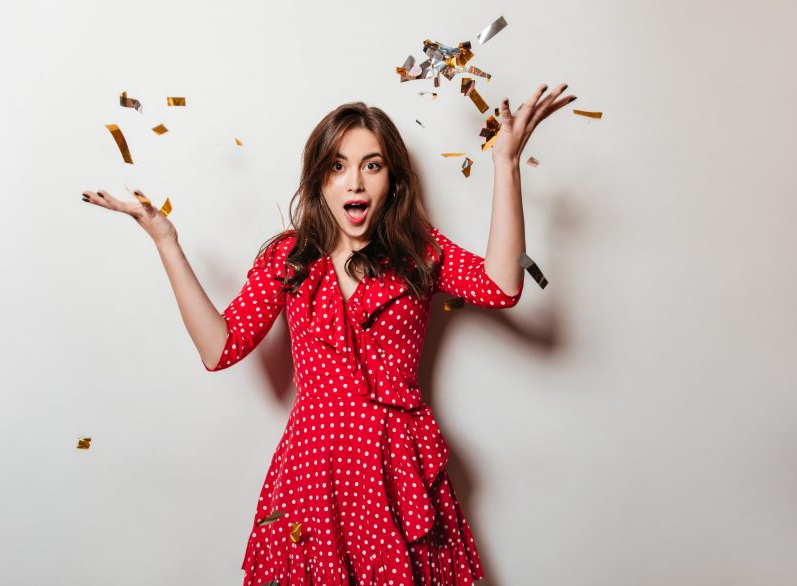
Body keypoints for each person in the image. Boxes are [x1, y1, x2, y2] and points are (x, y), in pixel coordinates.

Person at [82, 83, 575, 585]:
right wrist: (166, 241)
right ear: (319, 180)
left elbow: (502, 285)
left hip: (397, 469)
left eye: (372, 165)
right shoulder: (290, 258)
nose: (355, 183)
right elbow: (219, 348)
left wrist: (506, 165)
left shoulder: (418, 252)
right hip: (314, 473)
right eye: (338, 166)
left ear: (393, 180)